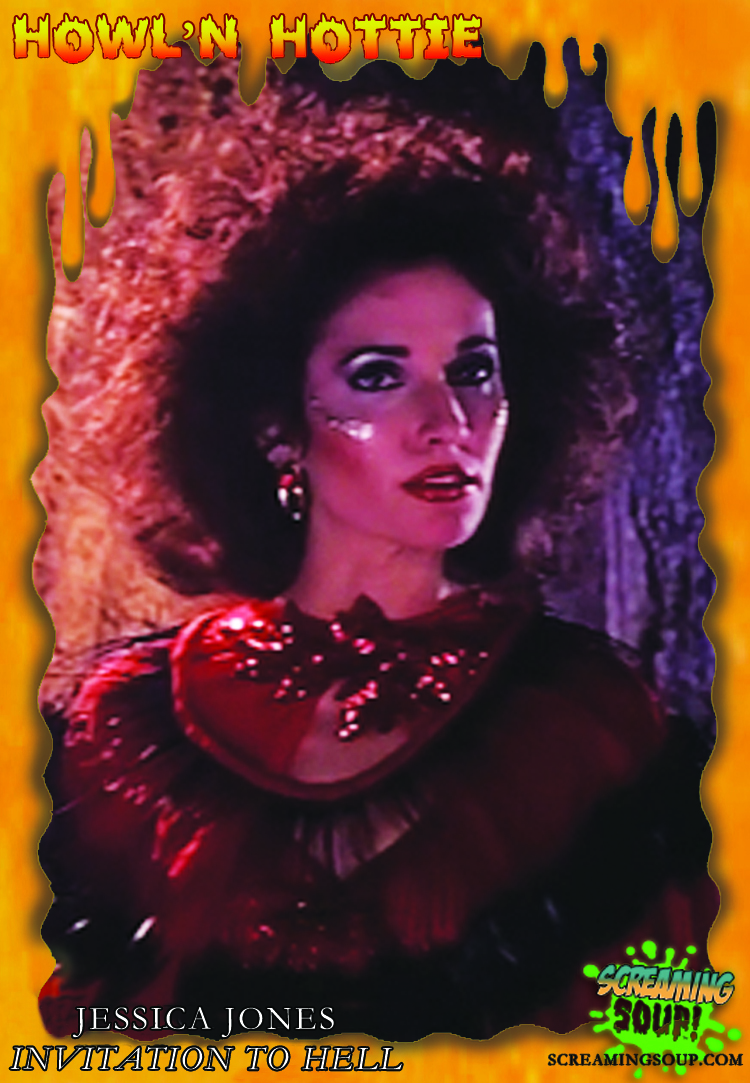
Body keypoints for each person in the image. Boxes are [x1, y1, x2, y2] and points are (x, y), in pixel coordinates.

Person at [39, 156, 716, 1041]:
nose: (449, 423)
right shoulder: (127, 728)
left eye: (475, 369)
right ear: (276, 425)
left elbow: (675, 1035)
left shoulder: (591, 722)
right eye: (377, 376)